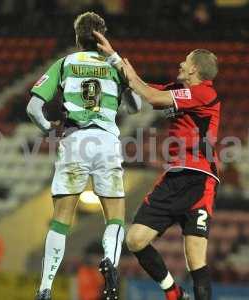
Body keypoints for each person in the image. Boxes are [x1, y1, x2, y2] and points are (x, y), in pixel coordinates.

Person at [94, 31, 220, 300]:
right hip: (178, 176)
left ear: (195, 69)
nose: (180, 65)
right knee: (136, 240)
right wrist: (115, 58)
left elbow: (150, 97)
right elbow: (143, 88)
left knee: (196, 259)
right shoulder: (180, 91)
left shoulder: (205, 93)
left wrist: (123, 68)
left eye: (185, 62)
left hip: (197, 178)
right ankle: (174, 293)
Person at [26, 11, 141, 300]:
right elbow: (136, 105)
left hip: (74, 140)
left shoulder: (65, 63)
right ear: (103, 36)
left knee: (61, 219)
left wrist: (47, 127)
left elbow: (32, 108)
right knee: (115, 217)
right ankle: (111, 267)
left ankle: (45, 286)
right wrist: (118, 68)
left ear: (77, 39)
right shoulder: (115, 64)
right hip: (106, 141)